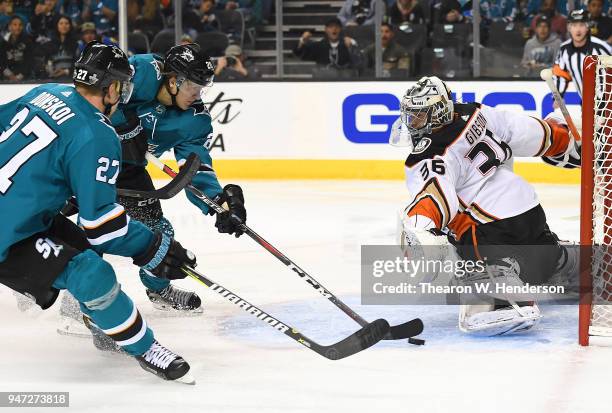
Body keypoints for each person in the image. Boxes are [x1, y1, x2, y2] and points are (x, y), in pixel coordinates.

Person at [0, 41, 197, 383]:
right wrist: (155, 248)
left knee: (86, 253)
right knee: (92, 273)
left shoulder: (46, 92)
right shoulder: (97, 134)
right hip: (10, 234)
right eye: (122, 87)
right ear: (111, 87)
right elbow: (102, 225)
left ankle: (100, 322)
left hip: (22, 216)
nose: (123, 95)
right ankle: (146, 348)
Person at [59, 43, 247, 338]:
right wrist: (123, 128)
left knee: (160, 233)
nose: (199, 95)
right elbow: (94, 94)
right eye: (195, 87)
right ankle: (73, 303)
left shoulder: (194, 119)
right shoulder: (143, 72)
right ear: (174, 81)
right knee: (87, 229)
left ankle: (159, 290)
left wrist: (219, 202)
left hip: (130, 171)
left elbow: (195, 167)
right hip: (85, 155)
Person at [391, 76, 579, 335]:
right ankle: (572, 265)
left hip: (491, 226)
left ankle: (502, 300)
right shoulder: (475, 112)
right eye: (411, 116)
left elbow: (436, 198)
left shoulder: (428, 154)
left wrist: (417, 228)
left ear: (437, 112)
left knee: (465, 240)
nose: (412, 123)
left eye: (419, 116)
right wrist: (562, 139)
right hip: (528, 208)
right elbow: (522, 131)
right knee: (546, 257)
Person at [553, 9, 611, 97]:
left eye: (581, 25)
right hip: (586, 104)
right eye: (574, 25)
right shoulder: (564, 49)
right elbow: (560, 74)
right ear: (569, 28)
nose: (578, 29)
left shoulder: (600, 48)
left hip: (607, 104)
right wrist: (558, 95)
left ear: (587, 27)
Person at [293, 18, 360, 73]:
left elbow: (358, 63)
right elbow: (299, 54)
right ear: (325, 29)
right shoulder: (319, 45)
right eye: (330, 27)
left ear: (340, 29)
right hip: (323, 82)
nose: (334, 29)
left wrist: (351, 48)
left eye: (337, 27)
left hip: (344, 82)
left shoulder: (349, 42)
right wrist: (302, 40)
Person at [42, 15, 79, 80]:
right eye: (61, 23)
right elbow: (46, 62)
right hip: (53, 80)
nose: (64, 26)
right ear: (57, 26)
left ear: (70, 26)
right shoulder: (49, 45)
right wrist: (50, 71)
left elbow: (79, 64)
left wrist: (66, 71)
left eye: (66, 23)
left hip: (71, 80)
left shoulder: (76, 44)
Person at [0, 15, 33, 81]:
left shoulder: (27, 42)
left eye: (20, 25)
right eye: (15, 24)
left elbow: (28, 61)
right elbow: (2, 61)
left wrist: (19, 77)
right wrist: (10, 75)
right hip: (6, 75)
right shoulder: (3, 42)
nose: (18, 27)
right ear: (9, 26)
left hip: (23, 76)